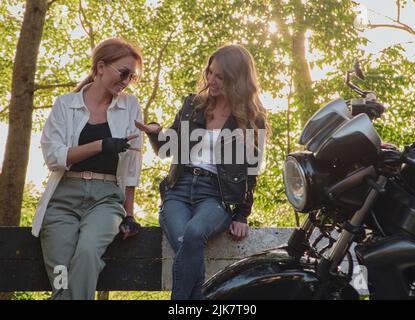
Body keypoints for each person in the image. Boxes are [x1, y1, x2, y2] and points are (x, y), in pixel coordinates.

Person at [135, 44, 270, 300]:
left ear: (237, 79)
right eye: (210, 72)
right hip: (178, 191)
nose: (212, 80)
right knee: (190, 242)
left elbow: (252, 172)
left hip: (215, 197)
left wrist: (241, 215)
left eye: (220, 76)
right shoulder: (192, 105)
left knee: (194, 233)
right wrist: (156, 135)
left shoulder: (253, 118)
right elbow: (167, 149)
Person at [31, 38, 144, 300]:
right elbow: (54, 157)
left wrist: (129, 214)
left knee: (87, 251)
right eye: (123, 72)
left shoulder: (130, 106)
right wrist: (101, 145)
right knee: (61, 269)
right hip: (62, 199)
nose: (127, 81)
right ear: (101, 66)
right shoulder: (65, 104)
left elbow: (131, 168)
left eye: (133, 76)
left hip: (106, 199)